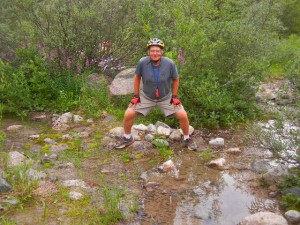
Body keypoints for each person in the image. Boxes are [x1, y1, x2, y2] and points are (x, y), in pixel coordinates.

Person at [115, 38, 197, 150]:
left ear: (162, 52)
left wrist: (174, 96)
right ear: (149, 52)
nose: (155, 53)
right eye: (152, 51)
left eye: (157, 51)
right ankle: (127, 137)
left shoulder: (169, 63)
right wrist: (135, 96)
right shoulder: (142, 62)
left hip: (165, 97)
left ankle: (187, 138)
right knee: (129, 113)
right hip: (146, 96)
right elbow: (137, 78)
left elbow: (176, 79)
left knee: (182, 115)